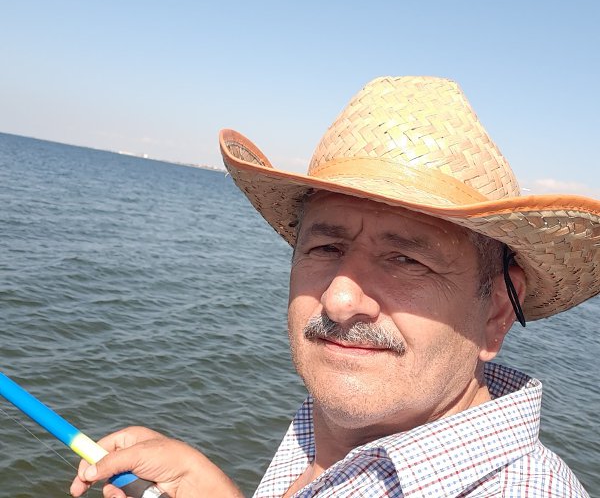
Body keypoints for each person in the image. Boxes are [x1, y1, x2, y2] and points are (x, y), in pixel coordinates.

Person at [71, 76, 599, 498]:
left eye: (406, 260)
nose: (339, 300)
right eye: (325, 248)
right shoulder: (339, 429)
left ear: (497, 311)